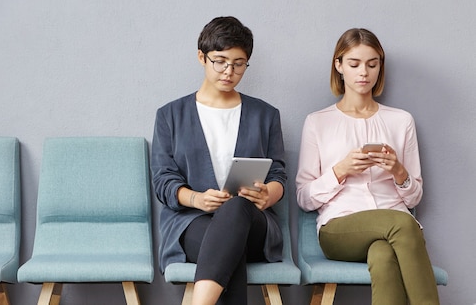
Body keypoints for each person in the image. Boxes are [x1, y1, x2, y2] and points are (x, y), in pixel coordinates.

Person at [296, 28, 440, 305]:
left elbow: (414, 197)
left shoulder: (401, 121)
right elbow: (304, 198)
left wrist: (398, 171)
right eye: (354, 64)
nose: (364, 72)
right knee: (403, 223)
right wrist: (341, 171)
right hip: (339, 228)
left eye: (372, 64)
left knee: (383, 255)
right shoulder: (318, 122)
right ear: (339, 66)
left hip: (394, 225)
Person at [151, 16, 287, 305]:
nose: (229, 71)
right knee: (226, 250)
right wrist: (197, 199)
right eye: (220, 61)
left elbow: (278, 173)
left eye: (239, 64)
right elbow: (163, 180)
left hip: (254, 224)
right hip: (192, 223)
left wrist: (268, 194)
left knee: (237, 209)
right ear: (202, 57)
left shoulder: (265, 115)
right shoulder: (170, 116)